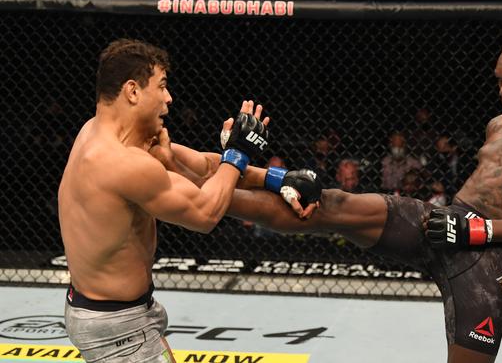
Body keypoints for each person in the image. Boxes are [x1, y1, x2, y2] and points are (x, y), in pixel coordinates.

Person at [191, 34, 502, 363]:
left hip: (488, 253)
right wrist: (460, 223)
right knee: (327, 204)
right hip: (443, 223)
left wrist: (479, 230)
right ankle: (216, 185)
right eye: (499, 80)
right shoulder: (499, 124)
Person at [58, 39, 317, 363]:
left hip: (115, 313)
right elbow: (205, 212)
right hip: (118, 329)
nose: (169, 98)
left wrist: (275, 178)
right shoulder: (119, 163)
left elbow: (201, 166)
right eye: (162, 86)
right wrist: (238, 153)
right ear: (132, 91)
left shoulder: (101, 133)